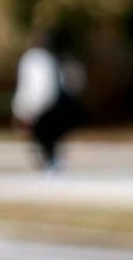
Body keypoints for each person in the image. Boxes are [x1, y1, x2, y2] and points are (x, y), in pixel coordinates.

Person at [12, 31, 85, 172]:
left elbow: (35, 87)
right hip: (47, 104)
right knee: (46, 139)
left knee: (45, 138)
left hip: (44, 106)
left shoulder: (37, 59)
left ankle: (50, 161)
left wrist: (25, 108)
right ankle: (50, 161)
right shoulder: (42, 59)